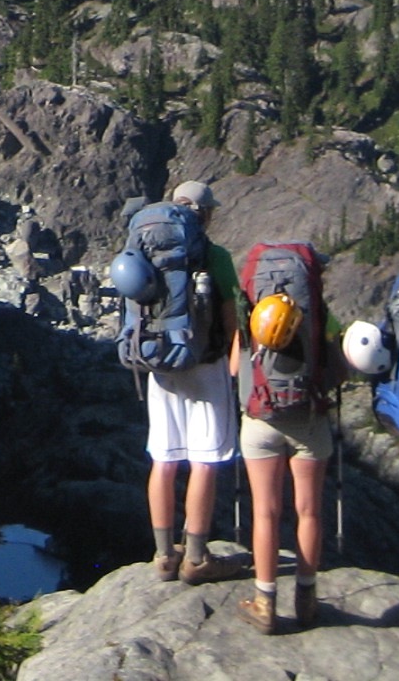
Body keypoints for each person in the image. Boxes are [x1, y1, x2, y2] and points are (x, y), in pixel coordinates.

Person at [233, 248, 336, 634]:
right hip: (308, 419)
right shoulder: (318, 314)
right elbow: (336, 368)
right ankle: (306, 600)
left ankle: (264, 601)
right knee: (308, 511)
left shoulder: (253, 314)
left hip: (260, 418)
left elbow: (234, 367)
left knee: (266, 512)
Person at [144, 180, 238, 583]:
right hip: (206, 363)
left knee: (164, 459)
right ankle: (196, 557)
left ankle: (164, 555)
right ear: (205, 213)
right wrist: (236, 366)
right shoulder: (215, 256)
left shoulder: (148, 250)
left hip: (161, 366)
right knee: (204, 459)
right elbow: (233, 317)